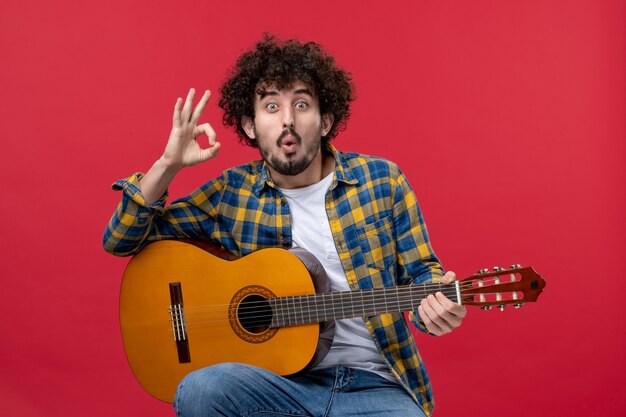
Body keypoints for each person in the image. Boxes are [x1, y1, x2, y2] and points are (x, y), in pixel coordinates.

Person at [103, 35, 466, 417]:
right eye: (272, 105)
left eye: (302, 104)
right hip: (278, 387)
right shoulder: (232, 193)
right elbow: (120, 239)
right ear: (249, 125)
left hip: (375, 387)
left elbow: (423, 277)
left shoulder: (382, 180)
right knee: (201, 389)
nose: (288, 119)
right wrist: (168, 164)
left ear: (325, 121)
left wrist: (436, 310)